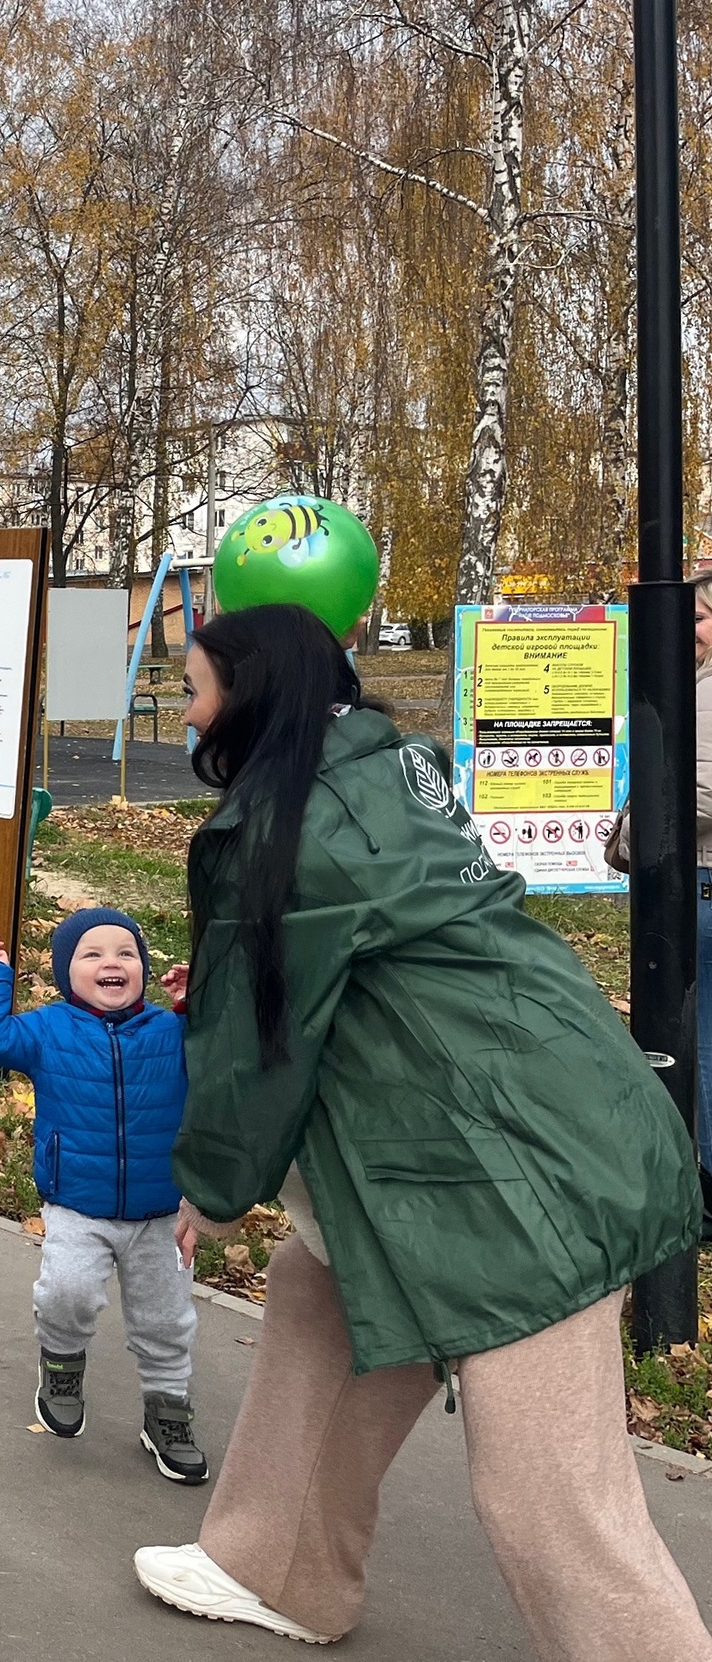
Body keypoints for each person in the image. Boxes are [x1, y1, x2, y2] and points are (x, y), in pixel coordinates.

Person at [132, 603, 710, 1659]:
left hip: (516, 1168)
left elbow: (255, 1045)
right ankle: (280, 1563)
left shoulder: (283, 829)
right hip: (541, 1105)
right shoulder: (382, 772)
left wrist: (209, 1195)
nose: (187, 709)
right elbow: (348, 968)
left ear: (249, 700)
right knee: (326, 1285)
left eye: (194, 687)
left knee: (549, 1498)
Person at [0, 908, 202, 1484]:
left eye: (126, 953)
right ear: (67, 972)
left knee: (166, 1319)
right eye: (92, 954)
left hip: (164, 1210)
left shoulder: (171, 1031)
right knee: (67, 1292)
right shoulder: (47, 1031)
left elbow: (225, 1049)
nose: (112, 962)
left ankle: (167, 1408)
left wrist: (197, 1002)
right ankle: (61, 1364)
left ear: (144, 968)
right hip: (76, 1204)